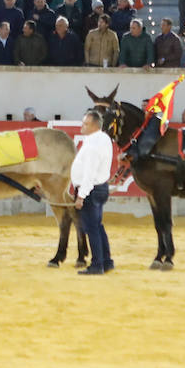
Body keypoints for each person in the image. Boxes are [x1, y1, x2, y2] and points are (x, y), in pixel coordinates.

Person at [71, 109, 114, 275]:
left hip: (91, 190)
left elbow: (89, 174)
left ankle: (97, 265)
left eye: (85, 124)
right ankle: (106, 261)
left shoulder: (92, 146)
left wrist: (81, 196)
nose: (82, 126)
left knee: (92, 228)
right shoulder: (103, 139)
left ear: (94, 126)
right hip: (100, 187)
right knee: (98, 226)